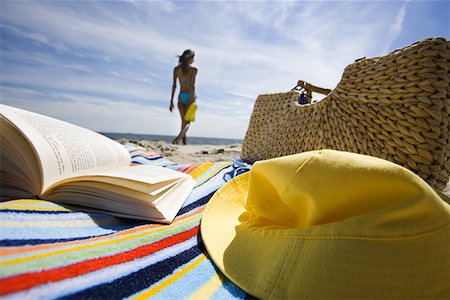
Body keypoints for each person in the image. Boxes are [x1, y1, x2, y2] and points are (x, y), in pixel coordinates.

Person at [170, 49, 197, 145]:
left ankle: (184, 144)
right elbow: (192, 85)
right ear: (190, 58)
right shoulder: (194, 70)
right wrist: (194, 99)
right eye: (193, 58)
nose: (193, 60)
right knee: (188, 122)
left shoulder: (176, 69)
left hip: (181, 96)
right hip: (190, 96)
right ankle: (177, 139)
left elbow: (174, 86)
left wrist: (171, 101)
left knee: (183, 122)